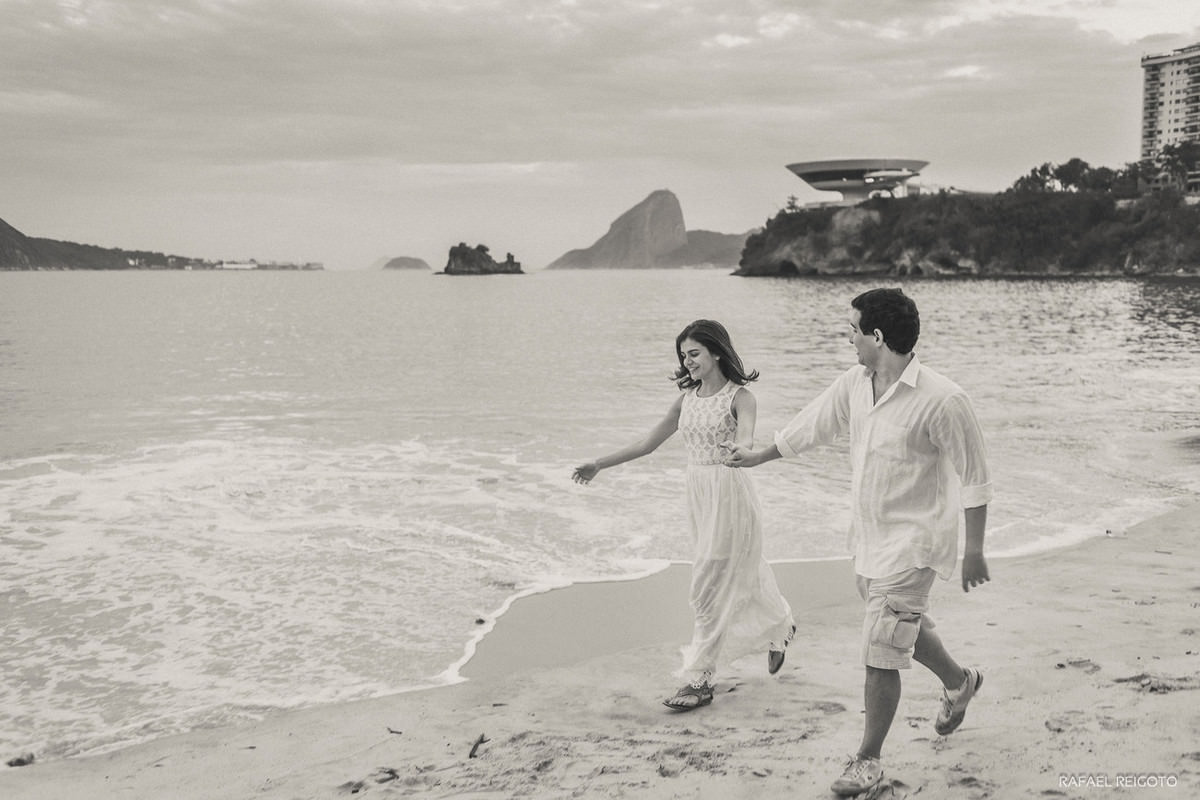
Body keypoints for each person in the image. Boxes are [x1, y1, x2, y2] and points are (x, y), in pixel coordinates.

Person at [723, 288, 992, 796]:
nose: (846, 336)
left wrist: (974, 549)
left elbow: (975, 478)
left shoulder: (943, 399)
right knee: (900, 630)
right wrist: (758, 456)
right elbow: (813, 425)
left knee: (881, 648)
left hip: (915, 543)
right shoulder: (855, 382)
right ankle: (960, 683)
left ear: (877, 336)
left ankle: (867, 761)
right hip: (867, 539)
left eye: (852, 329)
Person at [572, 319, 796, 711]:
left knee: (707, 582)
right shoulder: (686, 400)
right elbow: (647, 443)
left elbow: (747, 436)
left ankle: (700, 679)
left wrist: (740, 448)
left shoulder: (740, 397)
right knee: (739, 571)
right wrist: (599, 463)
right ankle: (782, 625)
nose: (687, 362)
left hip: (730, 491)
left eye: (693, 353)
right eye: (683, 356)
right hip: (698, 496)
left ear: (715, 352)